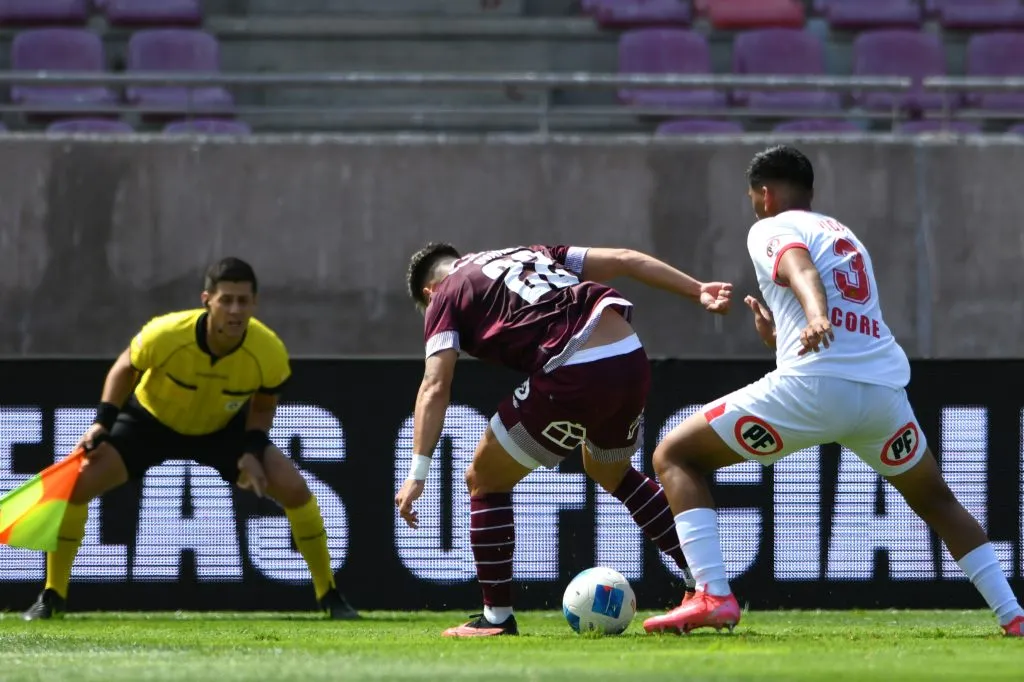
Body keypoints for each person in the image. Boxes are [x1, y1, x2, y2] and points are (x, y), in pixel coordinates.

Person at [642, 145, 1024, 637]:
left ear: (763, 193)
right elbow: (849, 316)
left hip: (817, 389)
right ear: (811, 192)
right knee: (937, 500)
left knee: (675, 455)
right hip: (882, 397)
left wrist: (815, 313)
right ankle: (1013, 615)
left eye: (753, 196)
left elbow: (800, 269)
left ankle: (713, 594)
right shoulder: (844, 234)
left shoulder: (770, 227)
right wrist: (781, 337)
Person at [395, 242, 733, 637]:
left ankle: (496, 618)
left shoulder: (445, 294)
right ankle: (704, 581)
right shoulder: (528, 251)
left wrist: (417, 471)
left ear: (427, 292)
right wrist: (698, 289)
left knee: (484, 479)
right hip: (629, 354)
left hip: (576, 367)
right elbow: (625, 259)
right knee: (609, 469)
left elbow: (435, 384)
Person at [23, 257, 359, 621]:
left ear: (255, 304)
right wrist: (102, 422)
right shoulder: (166, 334)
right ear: (207, 300)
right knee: (76, 487)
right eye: (226, 300)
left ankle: (329, 595)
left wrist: (250, 449)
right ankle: (53, 595)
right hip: (149, 423)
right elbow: (125, 366)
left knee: (296, 492)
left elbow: (263, 405)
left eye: (243, 301)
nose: (235, 310)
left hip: (222, 430)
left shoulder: (268, 351)